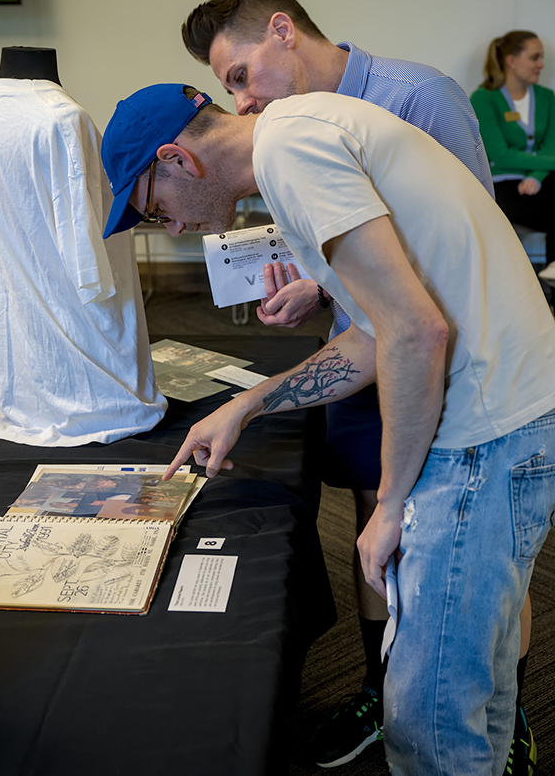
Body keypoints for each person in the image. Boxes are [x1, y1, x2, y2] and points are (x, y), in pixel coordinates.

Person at [100, 82, 555, 776]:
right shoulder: (299, 136)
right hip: (509, 418)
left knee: (429, 720)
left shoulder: (292, 152)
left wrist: (392, 504)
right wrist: (247, 404)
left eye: (155, 209)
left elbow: (415, 334)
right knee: (474, 688)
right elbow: (374, 338)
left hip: (485, 438)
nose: (171, 228)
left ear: (176, 159)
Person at [0, 47, 167, 446]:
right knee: (90, 355)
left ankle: (30, 392)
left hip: (6, 280)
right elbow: (85, 251)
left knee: (23, 329)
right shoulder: (63, 118)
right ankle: (84, 394)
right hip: (75, 295)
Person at [470, 31, 555, 285]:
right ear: (511, 60)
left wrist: (537, 177)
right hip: (502, 184)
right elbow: (501, 155)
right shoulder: (484, 98)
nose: (541, 63)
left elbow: (551, 148)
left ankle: (550, 275)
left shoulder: (546, 97)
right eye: (535, 57)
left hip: (540, 181)